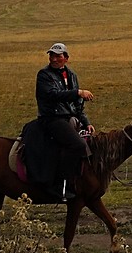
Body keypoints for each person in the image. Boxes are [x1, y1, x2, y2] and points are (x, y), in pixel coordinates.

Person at [35, 42, 93, 200]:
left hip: (69, 117)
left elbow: (76, 104)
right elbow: (53, 95)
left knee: (91, 141)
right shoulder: (44, 75)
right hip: (52, 118)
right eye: (51, 55)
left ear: (66, 58)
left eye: (58, 56)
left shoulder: (72, 75)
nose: (54, 59)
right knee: (78, 144)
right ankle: (60, 185)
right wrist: (78, 92)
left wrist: (86, 122)